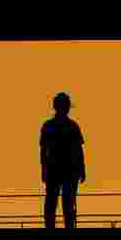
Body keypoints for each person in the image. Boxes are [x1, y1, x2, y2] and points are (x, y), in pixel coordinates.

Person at [40, 93, 86, 229]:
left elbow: (43, 151)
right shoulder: (71, 126)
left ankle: (54, 229)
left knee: (58, 201)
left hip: (60, 169)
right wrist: (82, 169)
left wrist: (43, 169)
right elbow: (79, 150)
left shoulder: (49, 126)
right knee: (62, 201)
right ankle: (65, 229)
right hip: (63, 169)